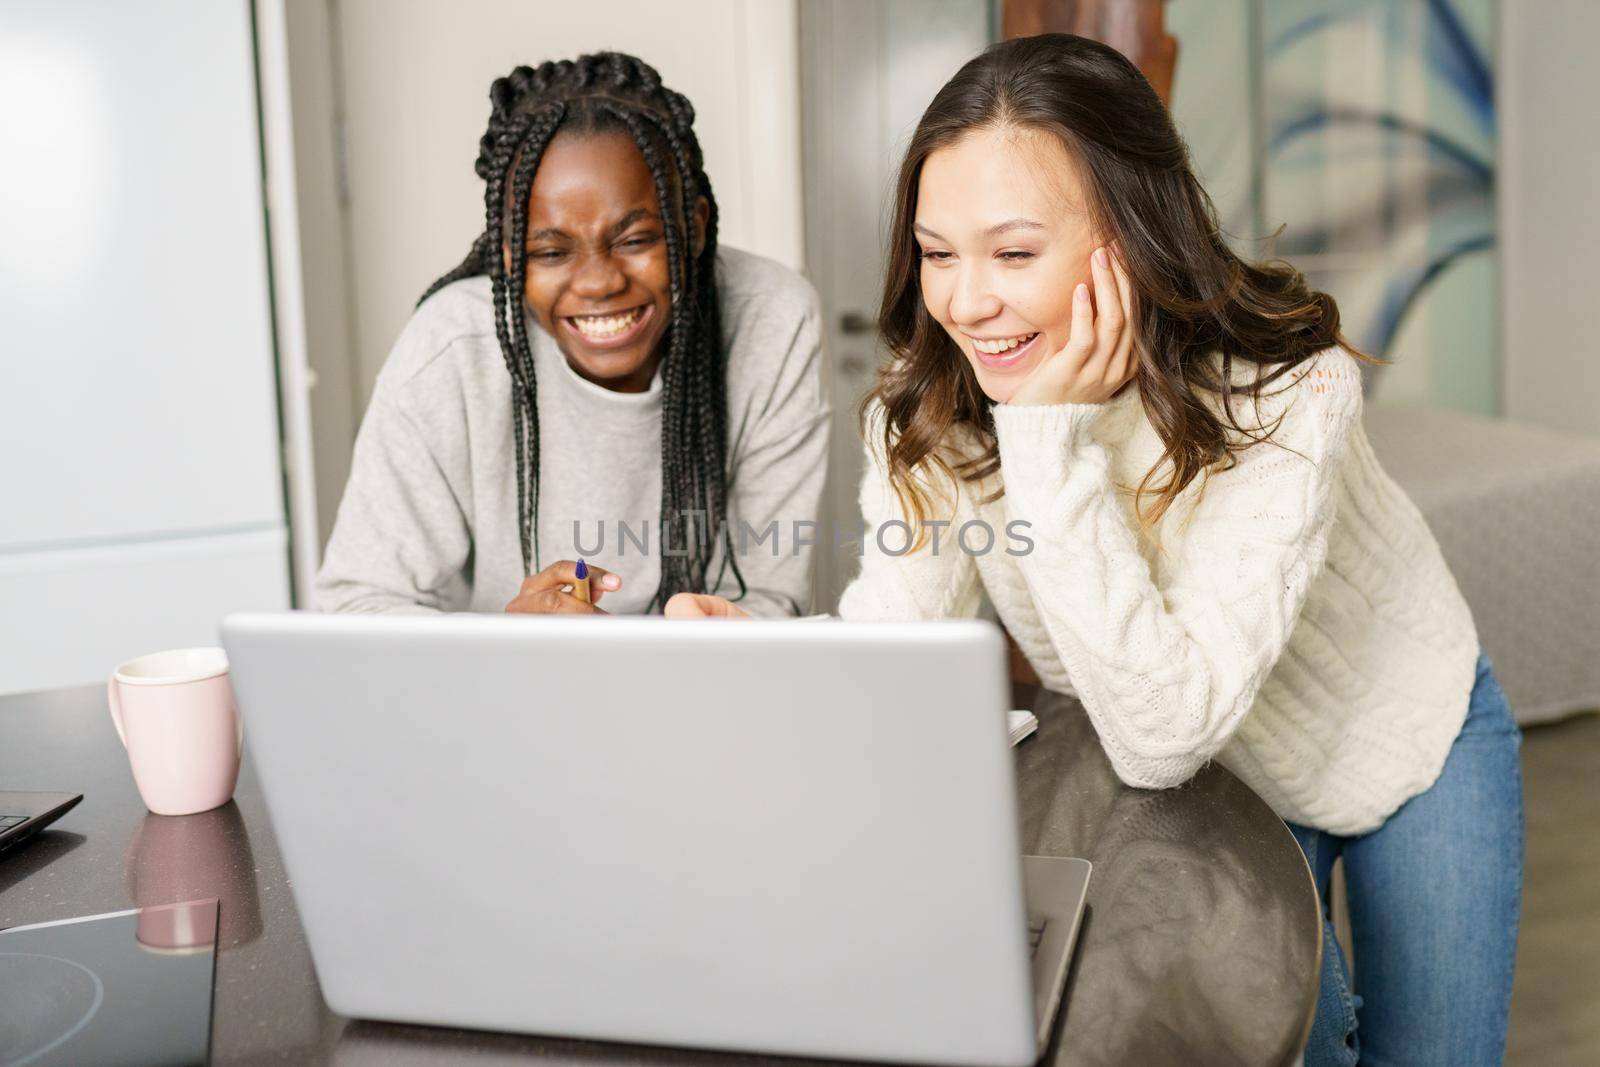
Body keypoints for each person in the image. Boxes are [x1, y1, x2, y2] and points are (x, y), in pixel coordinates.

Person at [667, 34, 1522, 1067]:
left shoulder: (1289, 392)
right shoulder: (931, 417)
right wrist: (765, 650)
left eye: (1013, 252)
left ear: (1129, 232)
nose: (966, 301)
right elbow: (898, 646)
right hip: (1217, 777)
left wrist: (1044, 435)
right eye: (938, 252)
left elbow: (1162, 727)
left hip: (1403, 732)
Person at [317, 52, 830, 617]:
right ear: (510, 256)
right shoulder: (450, 347)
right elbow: (359, 601)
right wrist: (509, 646)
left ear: (695, 226)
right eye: (551, 252)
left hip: (701, 691)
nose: (599, 282)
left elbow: (772, 598)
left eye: (635, 240)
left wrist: (680, 649)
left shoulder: (772, 320)